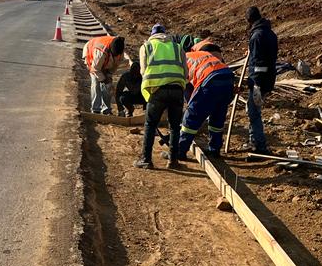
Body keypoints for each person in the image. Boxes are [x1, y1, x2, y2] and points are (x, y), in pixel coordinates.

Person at [135, 24, 187, 169]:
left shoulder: (147, 47)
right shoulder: (177, 47)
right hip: (177, 90)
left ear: (152, 35)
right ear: (165, 34)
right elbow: (185, 72)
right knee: (175, 126)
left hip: (157, 91)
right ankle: (173, 161)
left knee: (150, 124)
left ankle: (146, 160)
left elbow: (143, 71)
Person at [178, 43, 235, 158]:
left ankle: (179, 151)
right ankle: (214, 149)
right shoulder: (202, 55)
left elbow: (187, 89)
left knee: (191, 117)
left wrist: (191, 107)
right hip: (228, 78)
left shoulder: (182, 59)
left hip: (210, 80)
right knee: (217, 117)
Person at [244, 6, 278, 154]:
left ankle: (259, 145)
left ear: (249, 20)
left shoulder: (257, 36)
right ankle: (254, 141)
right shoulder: (270, 33)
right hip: (268, 78)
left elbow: (258, 63)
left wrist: (254, 82)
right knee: (253, 109)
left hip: (259, 81)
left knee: (253, 112)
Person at [82, 34, 126, 115]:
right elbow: (95, 69)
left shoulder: (120, 50)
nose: (117, 56)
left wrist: (109, 76)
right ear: (111, 51)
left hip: (105, 62)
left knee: (107, 86)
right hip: (91, 53)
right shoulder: (101, 51)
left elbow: (115, 65)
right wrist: (104, 80)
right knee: (96, 83)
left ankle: (106, 109)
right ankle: (95, 109)